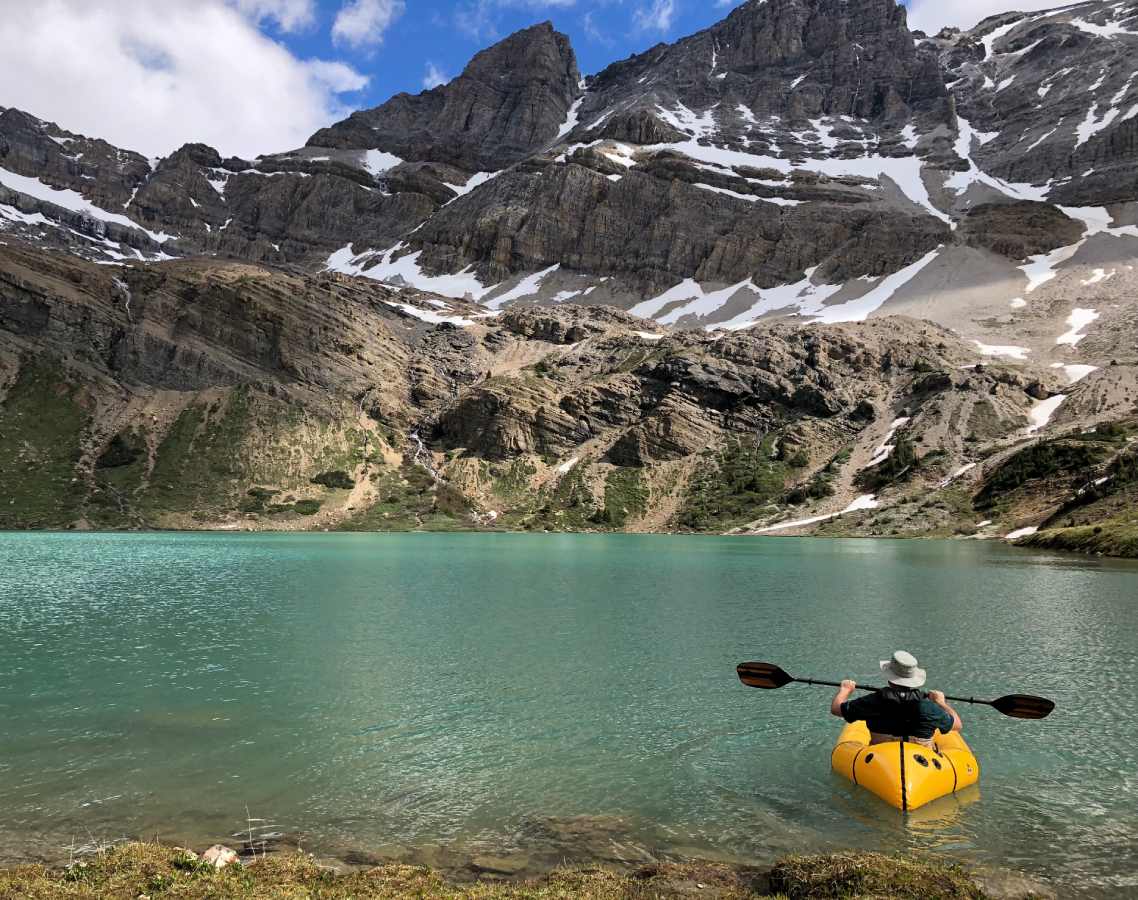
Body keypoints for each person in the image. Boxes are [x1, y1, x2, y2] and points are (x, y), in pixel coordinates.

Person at [829, 651, 962, 749]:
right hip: (921, 761)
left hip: (883, 759)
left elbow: (836, 709)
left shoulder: (874, 701)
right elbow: (957, 725)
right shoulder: (928, 706)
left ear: (889, 677)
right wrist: (941, 702)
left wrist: (845, 690)